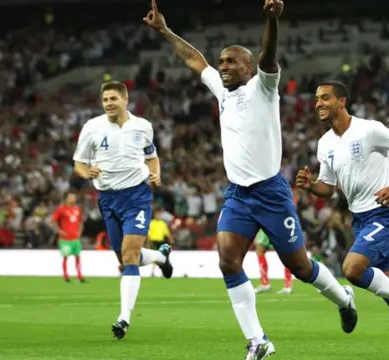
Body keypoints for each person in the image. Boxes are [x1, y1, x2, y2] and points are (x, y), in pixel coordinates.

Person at [145, 1, 357, 358]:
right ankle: (258, 341)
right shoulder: (221, 91)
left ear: (248, 66)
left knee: (300, 267)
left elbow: (268, 56)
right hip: (238, 195)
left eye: (231, 62)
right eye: (222, 61)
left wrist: (272, 22)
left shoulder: (263, 86)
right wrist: (166, 31)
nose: (223, 67)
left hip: (271, 192)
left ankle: (342, 298)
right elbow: (195, 61)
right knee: (228, 261)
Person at [296, 80, 389, 360]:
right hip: (361, 218)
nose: (318, 103)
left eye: (326, 98)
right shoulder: (324, 144)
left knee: (352, 270)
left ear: (342, 102)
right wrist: (311, 185)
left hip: (385, 212)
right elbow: (329, 188)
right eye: (317, 99)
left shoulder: (369, 129)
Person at [73, 80, 174, 340]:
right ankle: (161, 257)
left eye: (113, 99)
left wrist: (155, 175)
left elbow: (151, 157)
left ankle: (123, 319)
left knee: (129, 256)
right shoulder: (92, 127)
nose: (108, 103)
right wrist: (87, 173)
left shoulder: (142, 127)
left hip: (137, 196)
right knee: (125, 258)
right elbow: (79, 163)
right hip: (107, 198)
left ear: (125, 99)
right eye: (105, 99)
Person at [50, 190, 86, 284]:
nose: (73, 199)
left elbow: (80, 222)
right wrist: (59, 231)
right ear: (66, 198)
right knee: (66, 257)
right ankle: (66, 277)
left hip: (75, 238)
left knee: (78, 257)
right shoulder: (61, 209)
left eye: (74, 197)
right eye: (71, 197)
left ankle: (79, 277)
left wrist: (79, 232)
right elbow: (53, 220)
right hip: (65, 239)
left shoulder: (77, 209)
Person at [254, 229, 293, 295]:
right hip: (267, 226)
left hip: (275, 225)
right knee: (260, 249)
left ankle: (287, 286)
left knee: (286, 253)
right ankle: (265, 283)